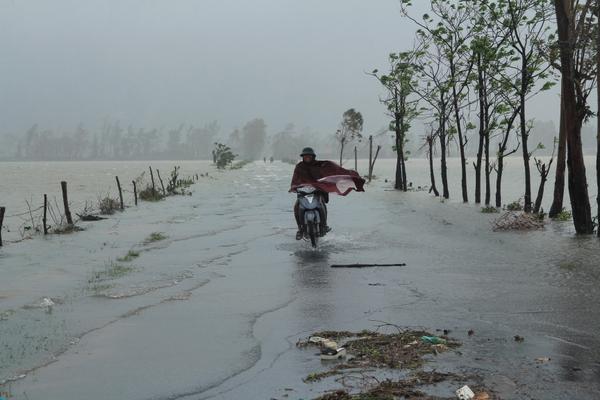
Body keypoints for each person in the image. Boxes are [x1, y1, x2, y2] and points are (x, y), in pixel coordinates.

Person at [290, 147, 330, 240]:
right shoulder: (299, 166)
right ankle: (300, 229)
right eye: (305, 156)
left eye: (309, 156)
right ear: (303, 157)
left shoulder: (318, 165)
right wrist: (294, 186)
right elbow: (295, 178)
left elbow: (324, 176)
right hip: (303, 191)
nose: (307, 157)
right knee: (297, 206)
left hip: (317, 191)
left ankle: (324, 225)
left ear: (313, 157)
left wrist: (323, 185)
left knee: (321, 204)